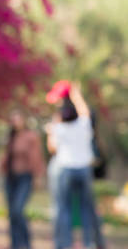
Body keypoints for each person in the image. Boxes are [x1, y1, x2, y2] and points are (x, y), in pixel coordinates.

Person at [46, 82, 106, 249]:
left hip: (64, 168)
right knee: (86, 208)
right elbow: (85, 112)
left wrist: (51, 132)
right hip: (83, 169)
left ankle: (64, 244)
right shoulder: (83, 123)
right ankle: (89, 243)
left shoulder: (59, 125)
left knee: (63, 208)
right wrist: (77, 95)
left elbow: (53, 148)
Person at [0, 110, 45, 249]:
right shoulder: (11, 137)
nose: (16, 121)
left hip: (25, 177)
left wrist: (37, 176)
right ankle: (14, 243)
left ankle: (25, 242)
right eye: (13, 119)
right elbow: (7, 156)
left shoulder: (31, 136)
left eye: (18, 118)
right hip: (10, 177)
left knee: (18, 209)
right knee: (12, 212)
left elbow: (36, 157)